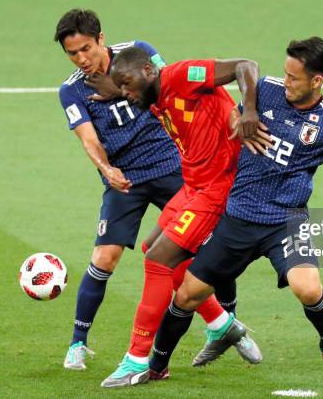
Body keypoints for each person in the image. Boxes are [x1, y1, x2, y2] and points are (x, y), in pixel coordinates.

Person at [139, 37, 323, 388]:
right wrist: (241, 121)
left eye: (295, 77)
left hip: (287, 220)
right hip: (239, 215)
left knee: (308, 289)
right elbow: (235, 108)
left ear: (317, 80)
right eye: (286, 73)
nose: (287, 82)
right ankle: (156, 365)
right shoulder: (265, 90)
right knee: (188, 295)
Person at [54, 9, 250, 372]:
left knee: (201, 248)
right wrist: (105, 168)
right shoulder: (70, 90)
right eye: (72, 54)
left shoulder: (139, 54)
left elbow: (167, 85)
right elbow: (88, 138)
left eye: (85, 49)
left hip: (171, 165)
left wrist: (118, 89)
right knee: (105, 258)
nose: (81, 59)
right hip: (125, 178)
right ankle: (78, 343)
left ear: (101, 39)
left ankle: (224, 322)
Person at [98, 46, 270, 387]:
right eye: (122, 90)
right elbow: (133, 92)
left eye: (129, 85)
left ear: (148, 70)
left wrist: (248, 110)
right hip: (193, 185)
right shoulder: (153, 96)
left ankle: (136, 360)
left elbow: (245, 65)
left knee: (160, 261)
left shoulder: (182, 75)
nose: (127, 94)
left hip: (216, 189)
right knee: (153, 250)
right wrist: (115, 87)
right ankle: (222, 324)